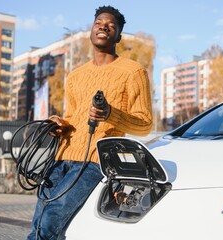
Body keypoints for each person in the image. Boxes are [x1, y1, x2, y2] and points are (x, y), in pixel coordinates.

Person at [27, 5, 153, 240]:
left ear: (119, 36)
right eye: (98, 23)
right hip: (61, 158)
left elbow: (144, 124)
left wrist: (110, 114)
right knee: (38, 220)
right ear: (91, 31)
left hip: (94, 160)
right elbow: (74, 116)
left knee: (51, 221)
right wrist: (59, 123)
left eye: (111, 25)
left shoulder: (133, 72)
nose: (103, 26)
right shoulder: (76, 75)